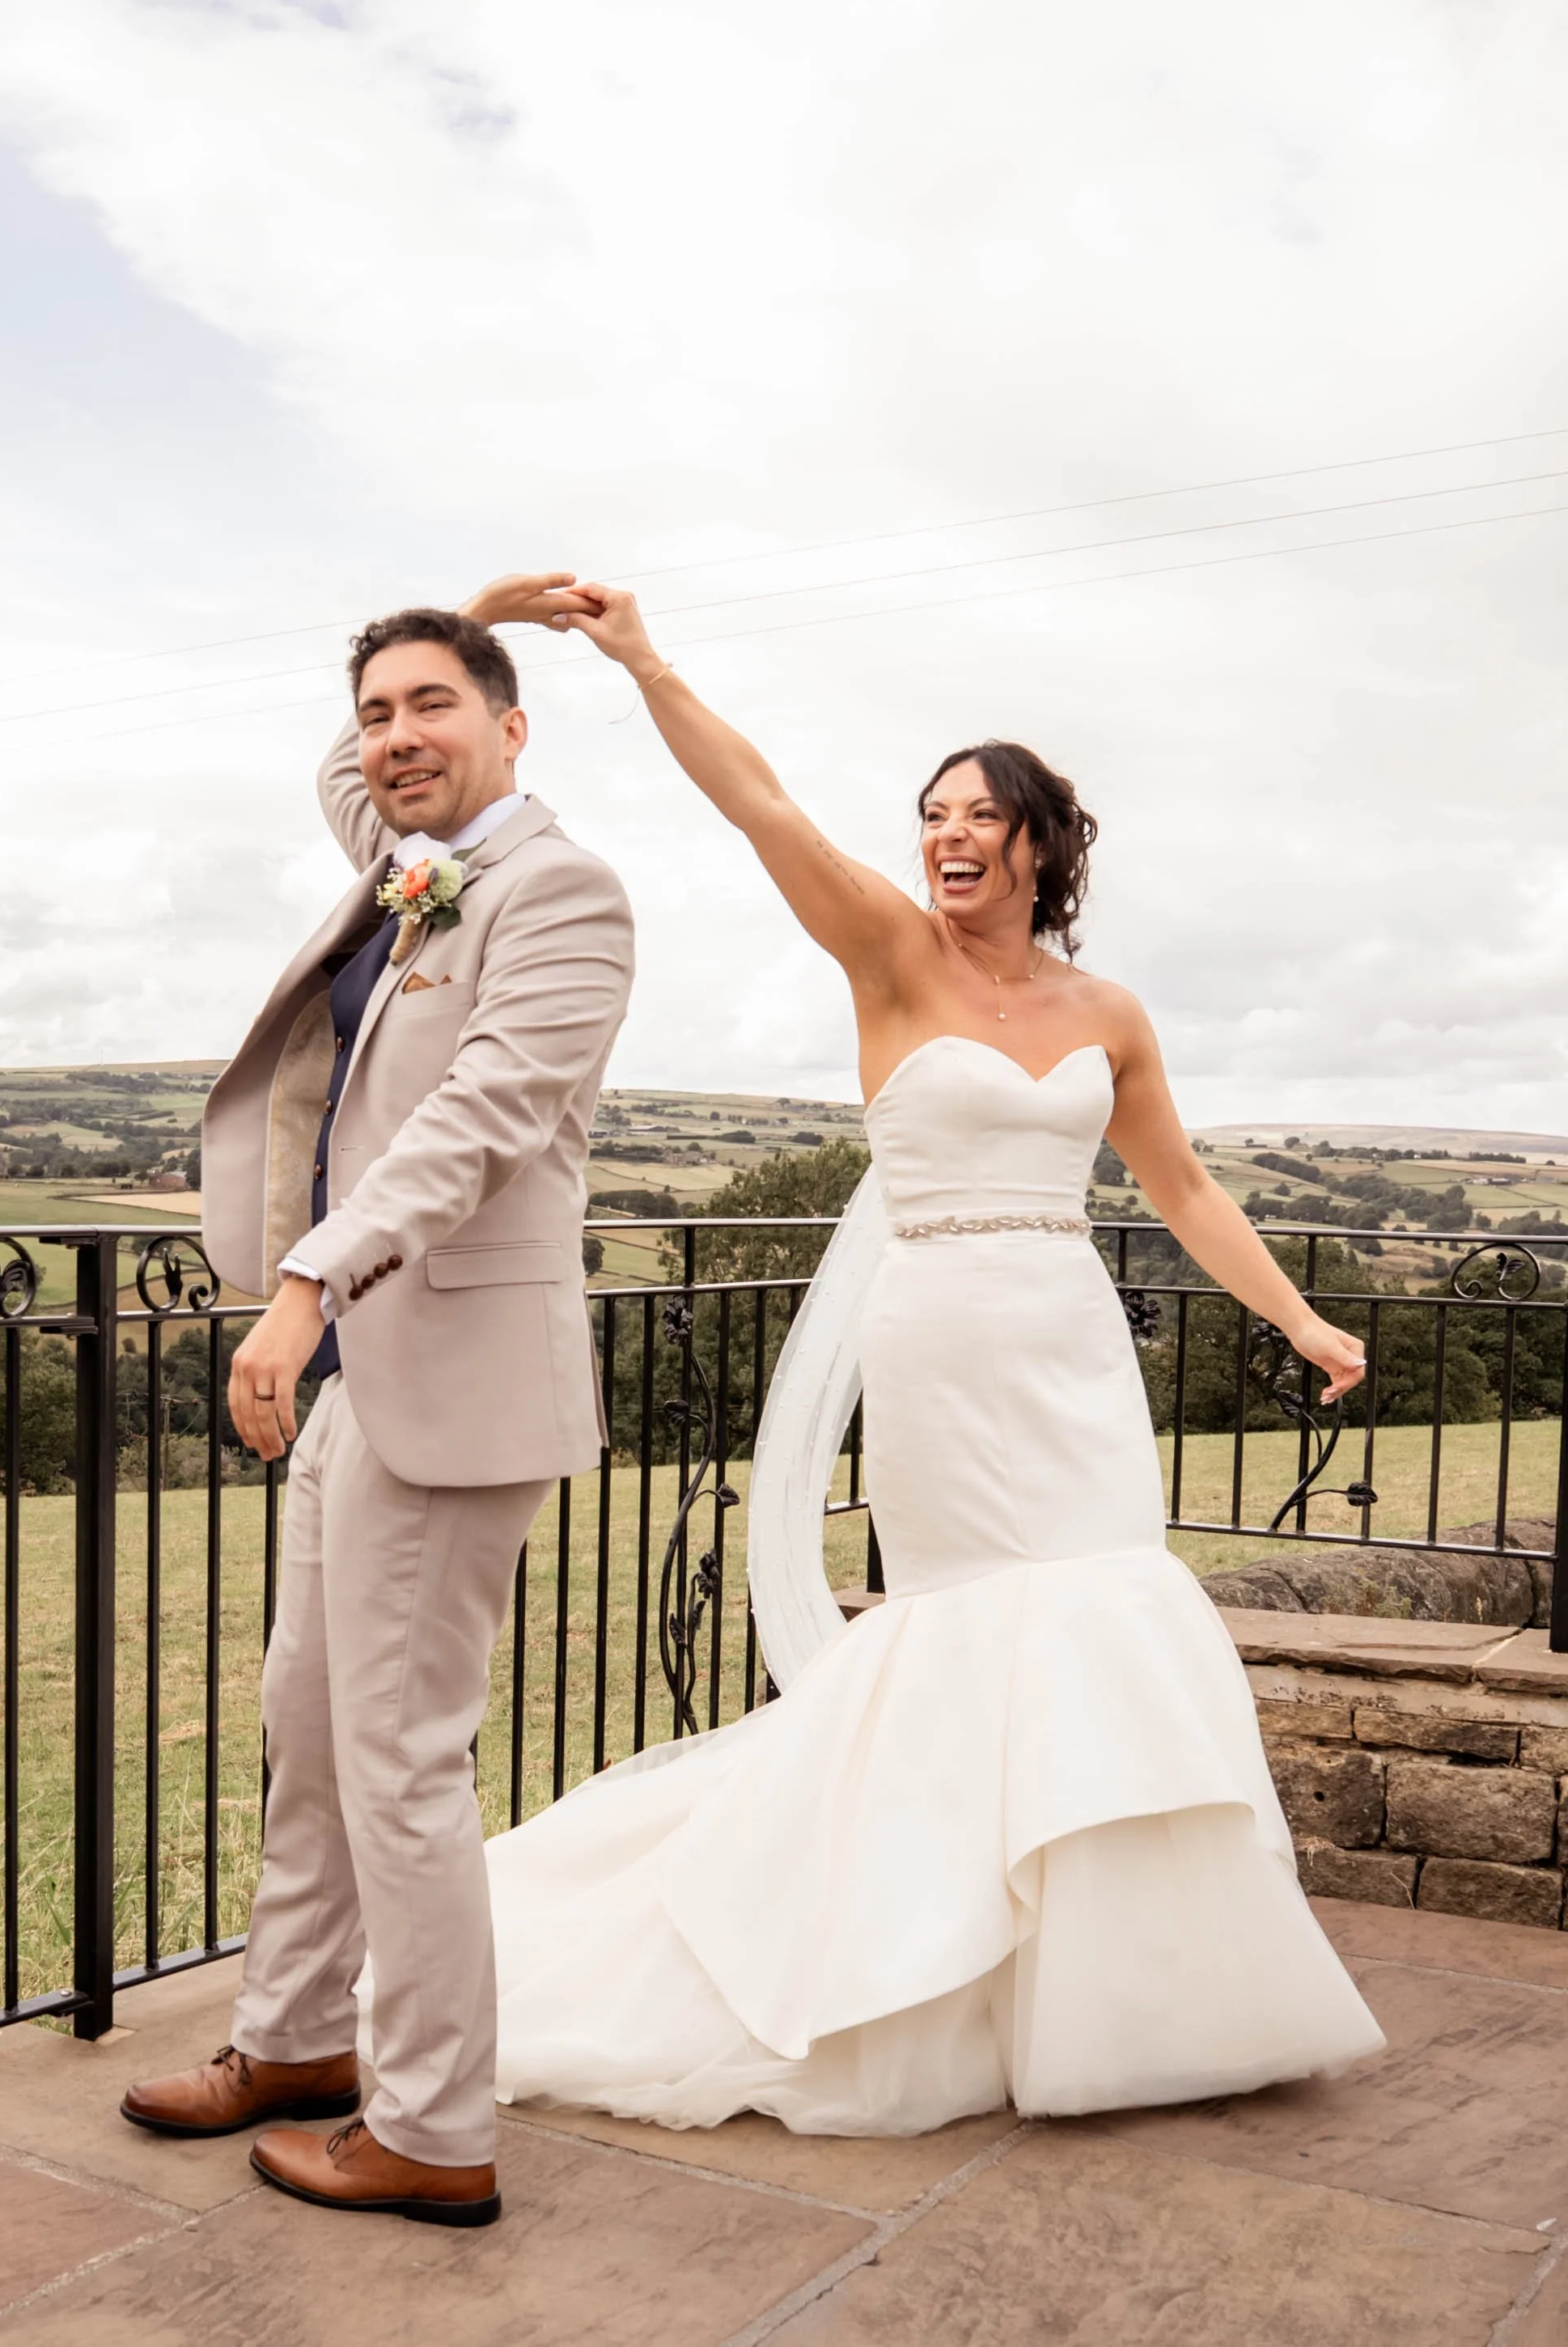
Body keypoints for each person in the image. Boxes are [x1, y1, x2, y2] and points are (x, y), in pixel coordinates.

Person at [435, 573, 1384, 2135]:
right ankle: (924, 1959)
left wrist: (1297, 1314)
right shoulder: (885, 948)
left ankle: (1123, 1991)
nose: (946, 835)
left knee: (1105, 1608)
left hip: (1071, 1341)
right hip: (939, 1335)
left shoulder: (1112, 1011)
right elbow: (762, 805)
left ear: (1041, 845)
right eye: (932, 811)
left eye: (978, 816)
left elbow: (1186, 1186)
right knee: (977, 1632)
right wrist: (645, 661)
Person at [119, 580, 634, 2222]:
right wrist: (467, 615)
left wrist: (303, 1284)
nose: (395, 741)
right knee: (311, 1738)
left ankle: (430, 2128)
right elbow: (350, 783)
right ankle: (291, 2043)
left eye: (435, 705)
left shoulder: (561, 894)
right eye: (376, 713)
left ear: (514, 726)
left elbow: (473, 1121)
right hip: (359, 1386)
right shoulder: (405, 862)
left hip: (452, 1383)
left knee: (403, 1762)